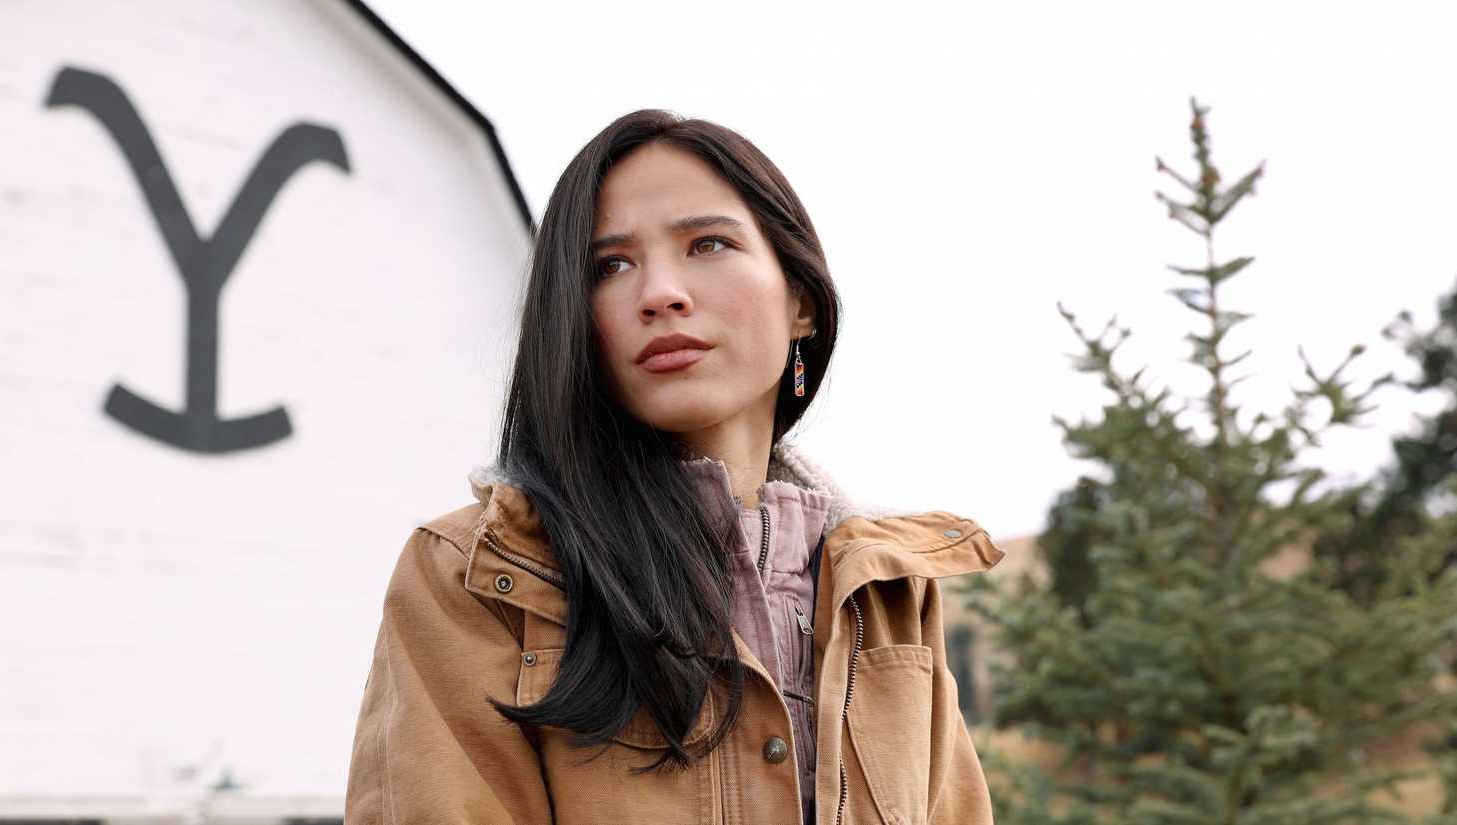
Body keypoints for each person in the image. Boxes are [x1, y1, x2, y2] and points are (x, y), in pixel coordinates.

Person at [344, 109, 1005, 825]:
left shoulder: (889, 591)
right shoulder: (483, 575)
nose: (660, 292)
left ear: (802, 303)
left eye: (708, 243)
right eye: (611, 265)